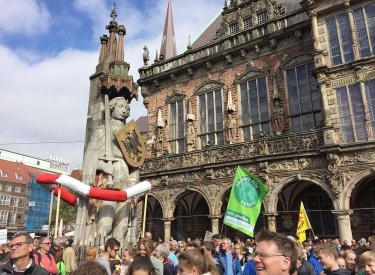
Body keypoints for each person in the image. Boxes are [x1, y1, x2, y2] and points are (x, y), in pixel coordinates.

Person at [82, 96, 140, 245]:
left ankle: (118, 256)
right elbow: (90, 157)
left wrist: (134, 181)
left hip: (125, 182)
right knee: (105, 225)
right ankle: (98, 252)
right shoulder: (103, 130)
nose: (124, 111)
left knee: (121, 228)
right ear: (112, 108)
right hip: (108, 181)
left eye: (126, 109)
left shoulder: (129, 133)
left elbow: (135, 163)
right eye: (120, 107)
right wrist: (102, 165)